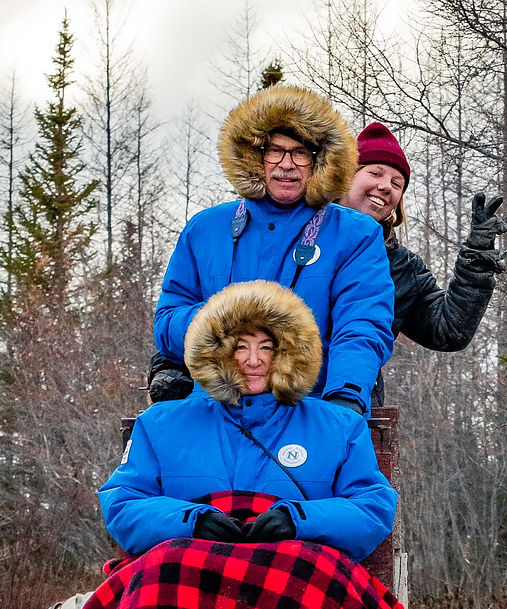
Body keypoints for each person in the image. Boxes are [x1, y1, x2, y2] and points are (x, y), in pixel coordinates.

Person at [80, 280, 409, 609]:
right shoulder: (163, 423)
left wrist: (300, 518)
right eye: (240, 347)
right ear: (216, 352)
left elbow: (374, 505)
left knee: (306, 572)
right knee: (164, 566)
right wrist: (189, 519)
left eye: (266, 347)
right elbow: (123, 501)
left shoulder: (339, 426)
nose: (253, 360)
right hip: (195, 569)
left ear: (288, 353)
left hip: (293, 567)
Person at [148, 85, 394, 417]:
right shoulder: (204, 229)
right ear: (256, 155)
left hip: (309, 410)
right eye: (274, 150)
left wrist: (344, 402)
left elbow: (362, 325)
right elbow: (166, 323)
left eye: (301, 152)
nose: (286, 164)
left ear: (320, 159)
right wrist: (221, 321)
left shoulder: (355, 234)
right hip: (214, 414)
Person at [339, 121, 503, 405]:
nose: (385, 186)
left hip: (354, 415)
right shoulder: (298, 239)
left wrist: (476, 260)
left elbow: (449, 331)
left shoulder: (402, 268)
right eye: (374, 173)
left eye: (396, 183)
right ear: (343, 178)